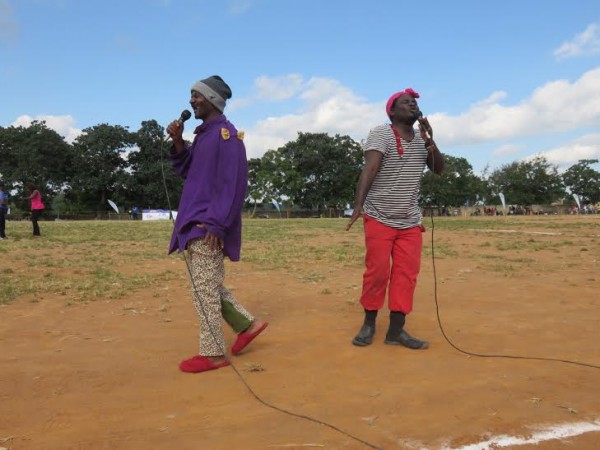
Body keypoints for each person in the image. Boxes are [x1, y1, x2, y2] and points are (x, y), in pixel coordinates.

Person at [166, 75, 268, 373]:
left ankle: (212, 354)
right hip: (194, 220)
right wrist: (177, 142)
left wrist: (217, 224)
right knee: (206, 285)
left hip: (207, 225)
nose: (191, 100)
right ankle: (249, 325)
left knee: (204, 289)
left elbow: (233, 184)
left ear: (211, 100)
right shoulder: (204, 136)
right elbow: (188, 170)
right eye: (191, 95)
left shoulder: (227, 136)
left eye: (196, 95)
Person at [346, 88, 444, 350]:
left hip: (409, 221)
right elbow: (371, 167)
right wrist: (358, 205)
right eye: (406, 102)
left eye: (414, 103)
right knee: (377, 272)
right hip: (379, 215)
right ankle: (369, 323)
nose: (412, 105)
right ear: (392, 110)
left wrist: (430, 139)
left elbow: (439, 169)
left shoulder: (422, 139)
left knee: (406, 275)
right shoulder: (381, 132)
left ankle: (396, 331)